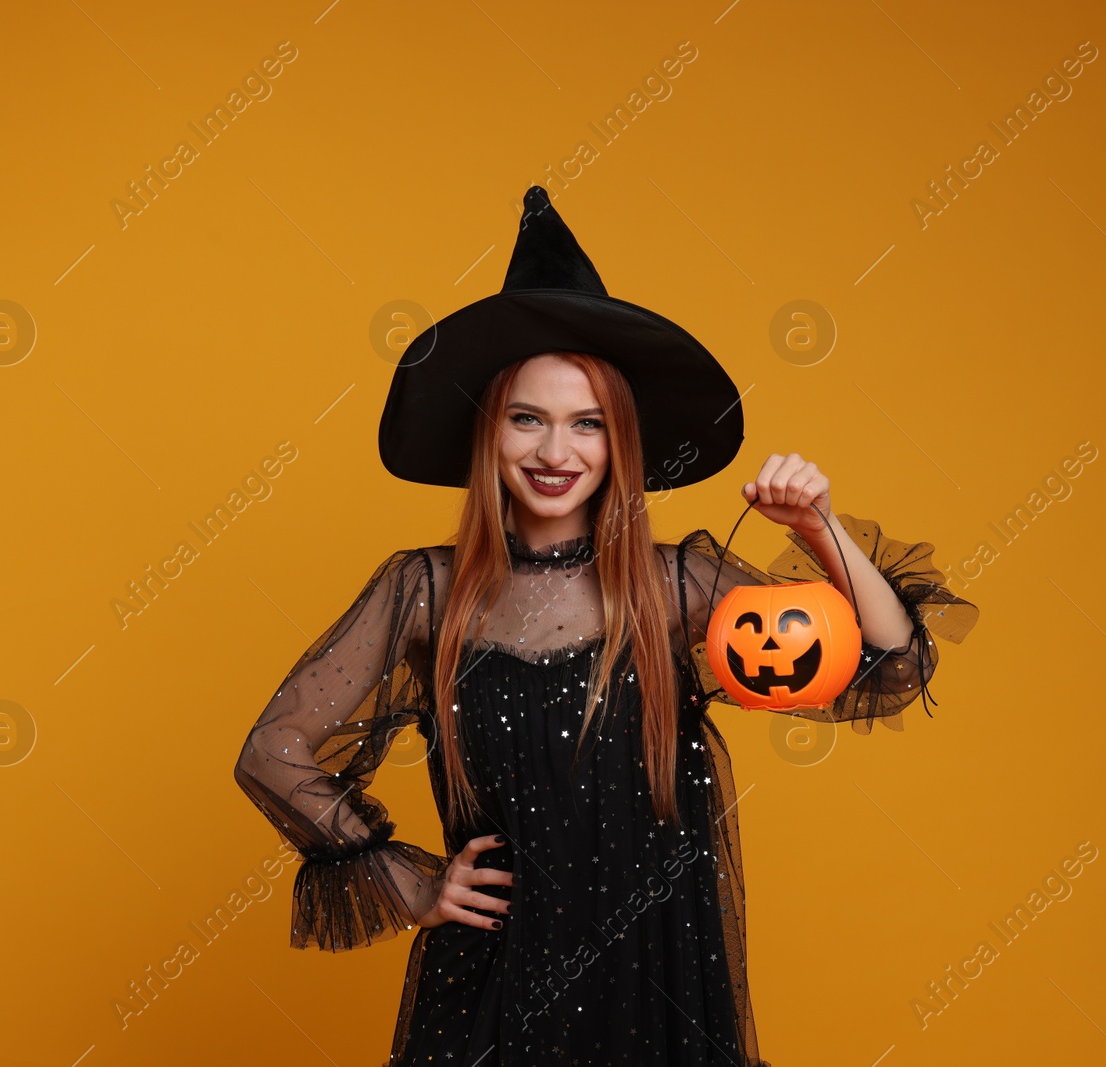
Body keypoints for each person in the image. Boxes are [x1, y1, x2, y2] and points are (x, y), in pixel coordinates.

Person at [232, 187, 979, 1066]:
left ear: (621, 441)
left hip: (659, 968)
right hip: (498, 973)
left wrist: (818, 531)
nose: (557, 453)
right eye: (528, 419)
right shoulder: (424, 589)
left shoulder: (673, 586)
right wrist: (413, 882)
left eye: (587, 424)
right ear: (488, 431)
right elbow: (271, 748)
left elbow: (889, 667)